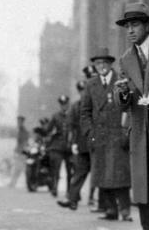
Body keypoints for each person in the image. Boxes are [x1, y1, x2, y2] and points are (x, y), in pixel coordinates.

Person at [114, 3, 149, 230]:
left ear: (147, 25)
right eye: (127, 26)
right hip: (140, 124)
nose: (130, 30)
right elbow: (123, 103)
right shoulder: (125, 59)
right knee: (143, 178)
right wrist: (123, 92)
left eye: (135, 25)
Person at [82, 52, 131, 220]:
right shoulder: (91, 84)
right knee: (102, 174)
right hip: (99, 135)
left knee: (119, 175)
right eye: (97, 63)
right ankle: (111, 210)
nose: (101, 66)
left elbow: (128, 108)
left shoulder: (120, 80)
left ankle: (125, 211)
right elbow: (85, 112)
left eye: (104, 63)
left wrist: (126, 131)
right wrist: (89, 132)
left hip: (118, 133)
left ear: (111, 64)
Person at [59, 80, 90, 210]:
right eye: (81, 91)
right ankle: (72, 200)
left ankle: (105, 205)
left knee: (100, 174)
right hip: (82, 144)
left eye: (85, 90)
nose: (83, 93)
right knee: (79, 172)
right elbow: (70, 125)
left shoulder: (95, 103)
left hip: (95, 143)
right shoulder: (75, 106)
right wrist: (72, 143)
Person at [45, 94, 70, 197]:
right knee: (56, 168)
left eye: (65, 104)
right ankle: (55, 188)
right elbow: (48, 129)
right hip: (58, 146)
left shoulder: (72, 114)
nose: (64, 106)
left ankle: (69, 191)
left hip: (69, 145)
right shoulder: (55, 116)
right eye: (62, 104)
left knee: (70, 169)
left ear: (68, 104)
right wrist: (47, 133)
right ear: (60, 105)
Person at [8, 115, 29, 189]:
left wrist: (20, 150)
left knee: (21, 169)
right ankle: (13, 183)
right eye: (18, 121)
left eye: (19, 121)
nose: (18, 123)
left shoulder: (23, 131)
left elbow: (24, 142)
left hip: (22, 153)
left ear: (22, 122)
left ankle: (26, 183)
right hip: (19, 152)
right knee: (18, 169)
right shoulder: (20, 130)